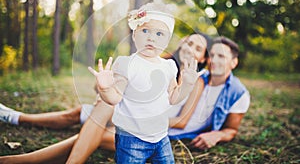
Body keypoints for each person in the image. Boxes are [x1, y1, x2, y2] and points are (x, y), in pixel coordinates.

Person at [0, 36, 250, 164]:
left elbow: (183, 119)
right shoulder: (161, 63)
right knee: (90, 112)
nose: (190, 49)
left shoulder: (197, 79)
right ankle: (14, 118)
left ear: (203, 59)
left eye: (199, 49)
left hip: (153, 132)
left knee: (88, 132)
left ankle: (16, 158)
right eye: (189, 42)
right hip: (130, 116)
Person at [87, 2, 202, 163]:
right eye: (145, 30)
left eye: (159, 34)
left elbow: (173, 98)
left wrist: (187, 85)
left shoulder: (168, 66)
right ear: (134, 35)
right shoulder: (126, 64)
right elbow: (115, 98)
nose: (151, 38)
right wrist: (105, 88)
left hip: (161, 137)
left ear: (167, 40)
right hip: (131, 138)